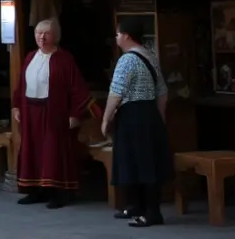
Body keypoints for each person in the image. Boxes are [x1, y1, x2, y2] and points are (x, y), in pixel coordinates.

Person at [12, 19, 97, 209]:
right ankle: (36, 190)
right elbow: (21, 84)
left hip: (53, 113)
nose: (42, 37)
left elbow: (78, 89)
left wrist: (75, 114)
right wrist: (16, 106)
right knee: (32, 151)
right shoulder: (29, 57)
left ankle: (60, 192)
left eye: (46, 33)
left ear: (55, 36)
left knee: (53, 152)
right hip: (30, 113)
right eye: (38, 33)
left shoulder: (64, 59)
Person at [101, 18, 172, 228]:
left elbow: (116, 92)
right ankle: (138, 206)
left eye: (117, 34)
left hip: (133, 115)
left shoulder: (126, 60)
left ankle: (151, 212)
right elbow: (162, 92)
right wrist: (159, 117)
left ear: (126, 36)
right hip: (149, 113)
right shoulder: (150, 56)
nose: (116, 38)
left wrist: (106, 119)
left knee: (137, 162)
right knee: (143, 162)